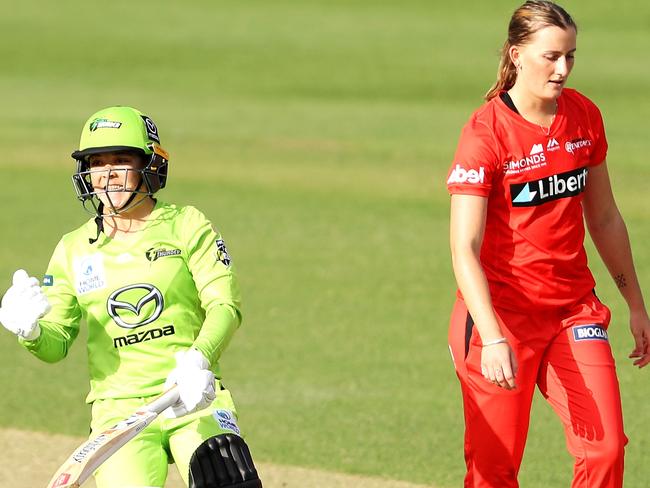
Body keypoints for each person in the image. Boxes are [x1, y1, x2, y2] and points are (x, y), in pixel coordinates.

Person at [0, 106, 262, 488]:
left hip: (192, 393)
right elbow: (55, 346)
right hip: (119, 413)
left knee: (227, 480)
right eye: (97, 163)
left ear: (149, 164)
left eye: (121, 161)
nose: (108, 174)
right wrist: (31, 332)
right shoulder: (73, 248)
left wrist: (199, 357)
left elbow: (225, 304)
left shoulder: (186, 224)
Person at [446, 1, 650, 487]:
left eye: (571, 57)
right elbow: (464, 248)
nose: (562, 70)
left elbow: (603, 218)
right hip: (500, 321)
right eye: (551, 57)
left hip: (573, 313)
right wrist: (493, 337)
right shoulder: (485, 133)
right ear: (517, 55)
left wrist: (635, 305)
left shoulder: (583, 116)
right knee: (494, 470)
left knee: (603, 450)